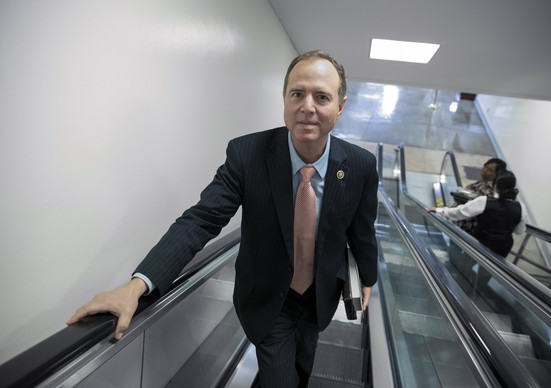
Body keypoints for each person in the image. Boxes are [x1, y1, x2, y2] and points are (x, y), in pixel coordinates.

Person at [67, 50, 379, 388]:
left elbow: (361, 230)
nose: (308, 106)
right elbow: (201, 219)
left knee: (303, 360)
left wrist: (367, 277)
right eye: (297, 93)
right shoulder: (247, 155)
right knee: (281, 376)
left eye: (321, 97)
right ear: (284, 99)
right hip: (267, 296)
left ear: (340, 107)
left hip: (319, 295)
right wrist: (137, 285)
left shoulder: (360, 166)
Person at [429, 170, 529, 257]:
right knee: (489, 272)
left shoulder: (484, 201)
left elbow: (459, 212)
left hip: (479, 243)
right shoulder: (521, 207)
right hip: (502, 248)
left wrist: (439, 210)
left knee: (466, 266)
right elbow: (519, 231)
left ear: (494, 186)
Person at [452, 157, 507, 233]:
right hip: (457, 221)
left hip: (464, 229)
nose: (485, 171)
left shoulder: (489, 192)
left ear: (498, 174)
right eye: (485, 167)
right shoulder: (481, 182)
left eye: (490, 170)